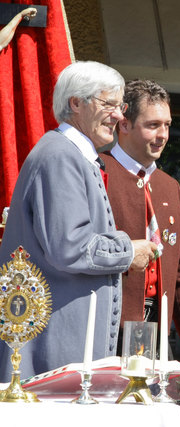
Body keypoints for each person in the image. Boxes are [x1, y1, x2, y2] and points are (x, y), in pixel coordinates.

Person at [0, 61, 157, 381]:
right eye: (109, 104)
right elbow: (69, 245)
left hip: (61, 340)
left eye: (121, 106)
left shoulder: (70, 154)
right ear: (76, 103)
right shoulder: (60, 156)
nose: (118, 115)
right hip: (53, 347)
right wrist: (128, 251)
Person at [99, 79, 180, 355]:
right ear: (124, 124)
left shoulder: (170, 186)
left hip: (157, 330)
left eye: (167, 125)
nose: (163, 135)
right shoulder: (98, 172)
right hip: (108, 329)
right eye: (153, 125)